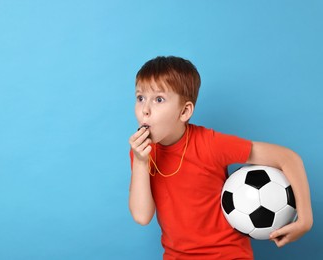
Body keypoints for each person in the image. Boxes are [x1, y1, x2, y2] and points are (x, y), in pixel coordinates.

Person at [128, 56, 313, 259]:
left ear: (184, 111)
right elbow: (142, 216)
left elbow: (288, 158)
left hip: (228, 254)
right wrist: (140, 162)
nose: (145, 109)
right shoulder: (142, 153)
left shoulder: (210, 144)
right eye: (140, 98)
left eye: (159, 99)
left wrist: (305, 220)